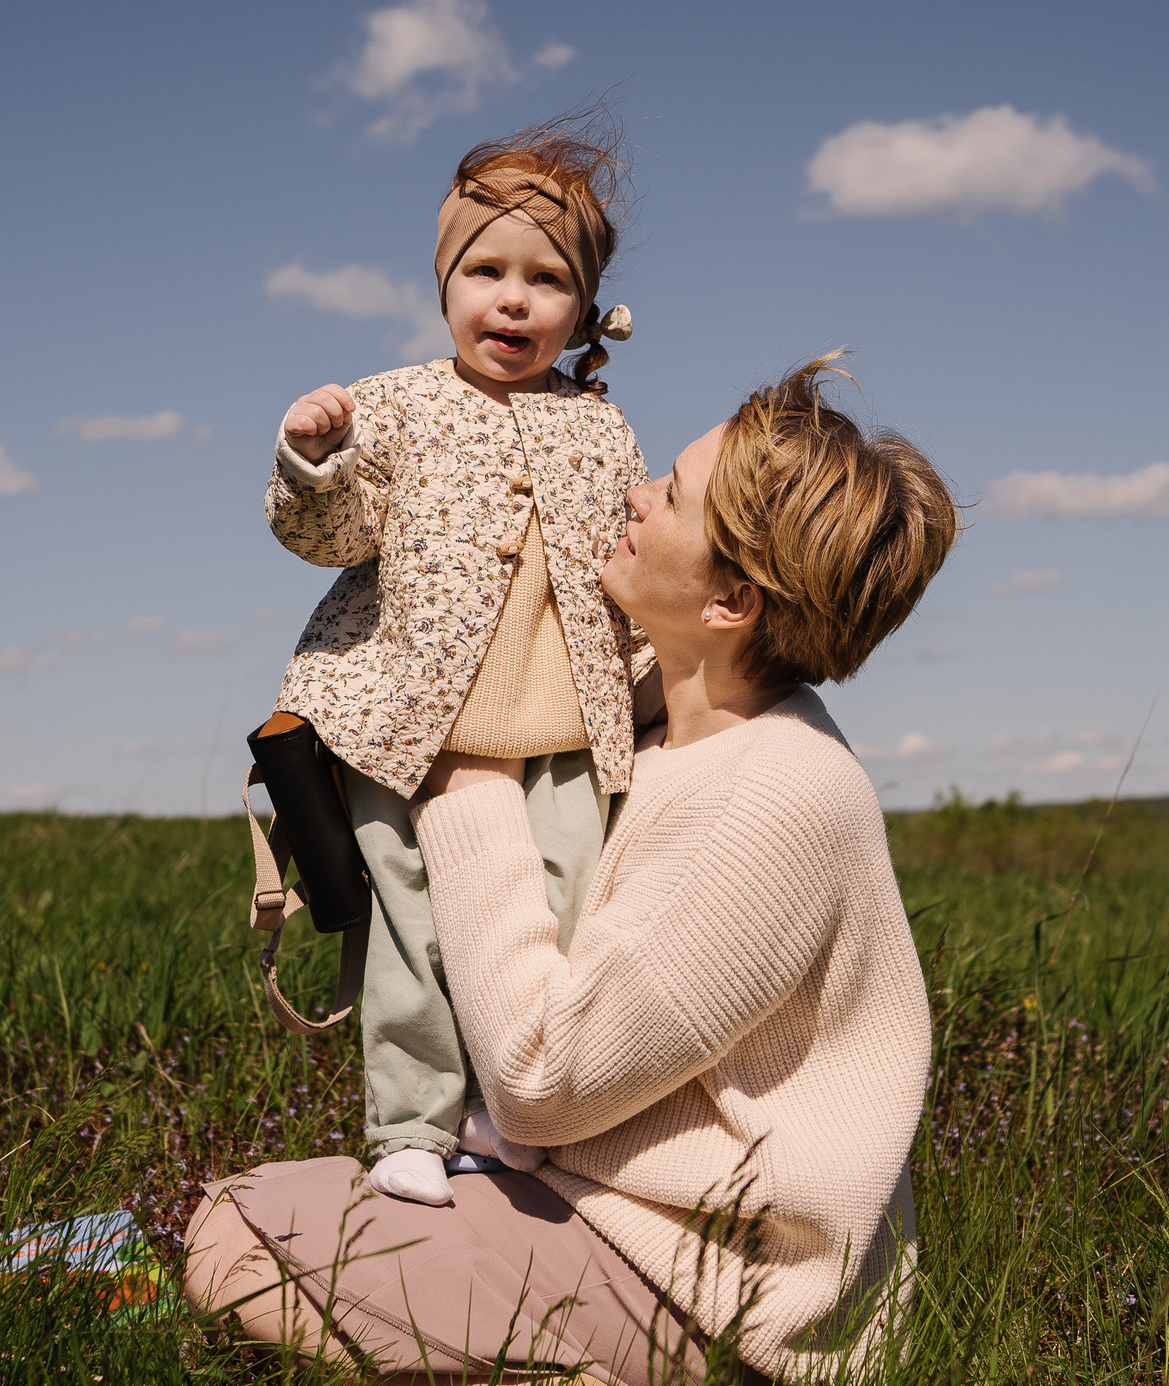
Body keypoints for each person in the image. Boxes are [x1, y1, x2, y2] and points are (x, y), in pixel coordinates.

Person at [191, 357, 959, 1384]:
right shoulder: (659, 736)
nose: (637, 494)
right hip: (621, 1221)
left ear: (729, 599)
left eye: (672, 494)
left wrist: (469, 785)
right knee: (269, 1210)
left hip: (712, 1287)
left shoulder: (775, 795)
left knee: (233, 1233)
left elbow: (542, 1090)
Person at [267, 108, 649, 1207]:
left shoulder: (600, 429)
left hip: (564, 725)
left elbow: (623, 568)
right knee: (414, 923)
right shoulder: (391, 404)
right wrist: (312, 461)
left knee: (567, 916)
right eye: (485, 269)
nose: (513, 299)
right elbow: (329, 542)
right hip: (405, 723)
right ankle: (411, 1124)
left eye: (546, 280)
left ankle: (515, 1105)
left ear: (583, 309)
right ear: (444, 284)